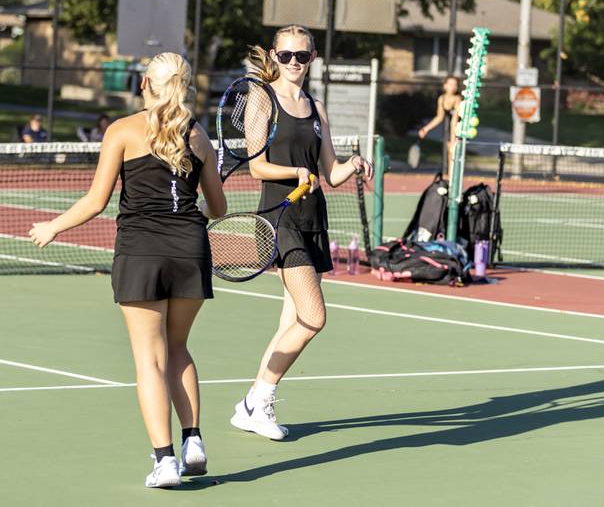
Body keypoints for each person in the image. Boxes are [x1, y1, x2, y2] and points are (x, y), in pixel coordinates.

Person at [28, 52, 226, 487]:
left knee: (149, 361)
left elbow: (96, 201)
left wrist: (53, 226)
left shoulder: (122, 131)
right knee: (178, 349)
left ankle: (165, 460)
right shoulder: (200, 138)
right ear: (186, 87)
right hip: (190, 251)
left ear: (144, 84)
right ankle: (194, 441)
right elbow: (219, 209)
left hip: (141, 252)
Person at [229, 25, 372, 441]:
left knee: (290, 319)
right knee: (314, 316)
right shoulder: (261, 98)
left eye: (302, 56)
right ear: (274, 56)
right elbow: (257, 167)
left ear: (313, 58)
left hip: (312, 217)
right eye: (286, 55)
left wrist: (355, 163)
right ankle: (260, 397)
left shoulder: (316, 106)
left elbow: (331, 172)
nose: (293, 62)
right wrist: (295, 171)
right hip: (279, 217)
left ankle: (252, 406)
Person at [418, 75, 462, 178]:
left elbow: (455, 120)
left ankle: (452, 183)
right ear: (445, 86)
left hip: (456, 131)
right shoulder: (441, 99)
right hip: (447, 131)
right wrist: (425, 129)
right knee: (447, 157)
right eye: (450, 84)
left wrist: (453, 138)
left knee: (453, 155)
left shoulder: (458, 99)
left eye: (455, 85)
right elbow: (439, 117)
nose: (453, 87)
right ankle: (447, 181)